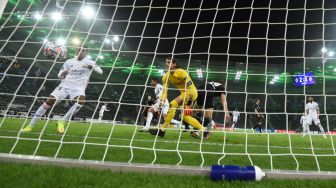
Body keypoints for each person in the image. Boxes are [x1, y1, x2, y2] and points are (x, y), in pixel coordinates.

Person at [21, 46, 103, 133]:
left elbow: (100, 71)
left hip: (78, 88)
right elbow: (59, 76)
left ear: (86, 53)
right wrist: (63, 73)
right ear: (76, 51)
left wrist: (92, 67)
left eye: (83, 51)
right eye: (79, 50)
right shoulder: (69, 62)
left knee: (80, 102)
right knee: (49, 101)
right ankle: (30, 126)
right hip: (65, 85)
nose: (81, 52)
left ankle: (62, 121)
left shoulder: (90, 62)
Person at [149, 57, 209, 139]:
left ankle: (162, 130)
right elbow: (164, 90)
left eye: (169, 62)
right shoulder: (166, 77)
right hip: (184, 95)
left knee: (173, 104)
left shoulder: (181, 72)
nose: (167, 64)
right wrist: (162, 100)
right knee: (184, 116)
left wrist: (190, 99)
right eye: (166, 62)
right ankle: (204, 129)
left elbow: (190, 86)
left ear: (174, 64)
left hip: (191, 93)